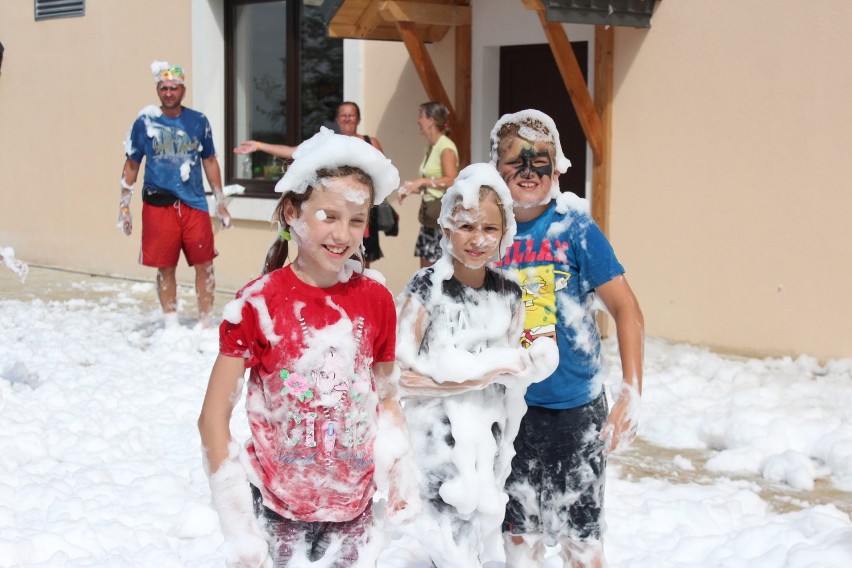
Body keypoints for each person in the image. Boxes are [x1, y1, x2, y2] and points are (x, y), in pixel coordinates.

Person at [198, 127, 420, 567]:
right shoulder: (258, 304)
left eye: (357, 221)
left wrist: (400, 466)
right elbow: (212, 418)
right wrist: (238, 524)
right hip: (276, 513)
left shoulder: (376, 300)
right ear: (292, 213)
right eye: (328, 216)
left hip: (353, 512)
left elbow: (387, 399)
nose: (343, 233)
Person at [489, 109, 645, 568]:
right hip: (509, 411)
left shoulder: (575, 230)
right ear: (497, 168)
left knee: (581, 542)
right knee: (517, 536)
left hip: (574, 411)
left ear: (557, 168)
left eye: (540, 162)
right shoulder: (489, 232)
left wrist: (631, 391)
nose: (528, 173)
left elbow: (626, 309)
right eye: (516, 162)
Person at [395, 163, 558, 567]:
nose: (478, 240)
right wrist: (486, 372)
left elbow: (533, 360)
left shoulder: (514, 290)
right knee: (443, 551)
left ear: (504, 234)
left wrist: (537, 353)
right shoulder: (425, 287)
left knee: (478, 547)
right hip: (436, 445)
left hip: (489, 445)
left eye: (489, 229)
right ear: (447, 227)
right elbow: (397, 378)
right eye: (466, 226)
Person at [118, 61, 231, 329]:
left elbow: (210, 161)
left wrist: (220, 202)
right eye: (164, 87)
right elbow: (132, 164)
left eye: (174, 88)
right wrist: (124, 206)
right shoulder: (144, 122)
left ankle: (205, 324)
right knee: (165, 267)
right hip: (158, 204)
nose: (169, 92)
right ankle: (171, 325)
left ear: (183, 90)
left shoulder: (198, 121)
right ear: (158, 89)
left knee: (205, 265)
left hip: (194, 204)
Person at [234, 102, 390, 266]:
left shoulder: (370, 142)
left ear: (358, 119)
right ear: (337, 119)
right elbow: (293, 152)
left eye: (351, 115)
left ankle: (358, 285)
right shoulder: (329, 144)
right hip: (336, 206)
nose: (347, 119)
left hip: (359, 206)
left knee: (362, 255)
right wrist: (259, 145)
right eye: (343, 115)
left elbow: (382, 175)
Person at [397, 102, 460, 268]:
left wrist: (423, 181)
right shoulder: (431, 147)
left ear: (431, 120)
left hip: (441, 222)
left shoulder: (445, 147)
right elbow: (432, 184)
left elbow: (451, 180)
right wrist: (410, 188)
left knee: (437, 276)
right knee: (426, 277)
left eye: (421, 116)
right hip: (430, 220)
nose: (418, 121)